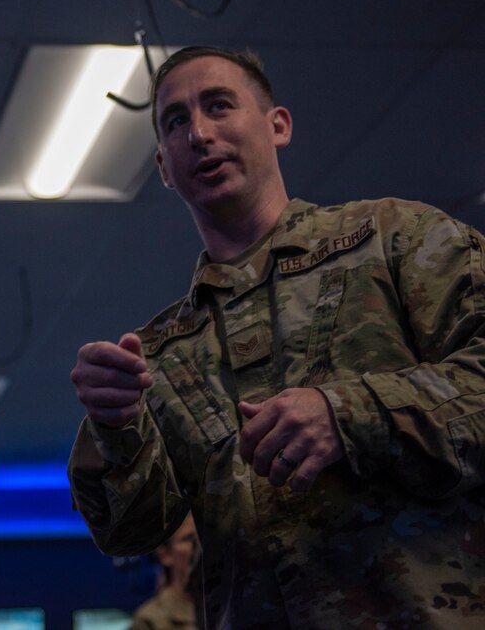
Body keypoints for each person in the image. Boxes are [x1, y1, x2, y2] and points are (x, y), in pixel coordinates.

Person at [67, 45, 485, 628]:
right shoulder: (159, 354)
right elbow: (128, 532)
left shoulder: (397, 240)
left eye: (219, 106)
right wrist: (113, 428)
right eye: (176, 121)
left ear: (277, 125)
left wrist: (349, 415)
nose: (200, 134)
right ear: (163, 166)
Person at [130, 513, 198, 630]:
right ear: (164, 554)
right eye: (188, 539)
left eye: (201, 538)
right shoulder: (150, 620)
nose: (198, 547)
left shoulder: (226, 607)